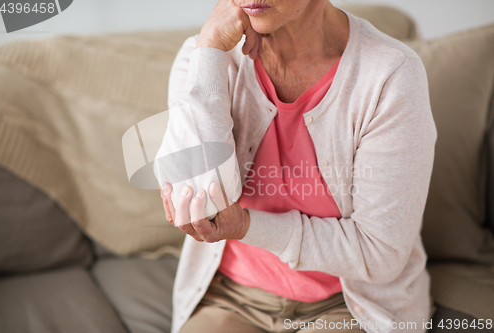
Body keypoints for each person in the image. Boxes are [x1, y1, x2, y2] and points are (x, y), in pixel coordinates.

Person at [155, 0, 437, 332]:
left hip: (349, 304)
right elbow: (200, 200)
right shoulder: (204, 56)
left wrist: (246, 225)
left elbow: (379, 254)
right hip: (233, 297)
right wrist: (210, 50)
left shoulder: (390, 74)